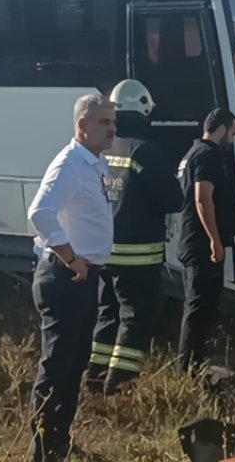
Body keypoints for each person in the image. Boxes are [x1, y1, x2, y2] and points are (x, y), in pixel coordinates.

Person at [26, 94, 117, 462]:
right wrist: (71, 258)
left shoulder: (96, 163)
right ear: (82, 126)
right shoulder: (70, 164)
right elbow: (40, 213)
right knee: (57, 365)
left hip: (84, 277)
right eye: (104, 123)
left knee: (75, 363)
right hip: (64, 277)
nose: (112, 129)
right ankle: (43, 448)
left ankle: (59, 441)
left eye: (114, 123)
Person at [85, 80, 183, 395]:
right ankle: (120, 385)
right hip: (138, 254)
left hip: (103, 251)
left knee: (107, 313)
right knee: (135, 317)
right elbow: (171, 199)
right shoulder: (145, 149)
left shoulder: (103, 149)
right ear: (143, 110)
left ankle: (95, 376)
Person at [175, 107, 235, 373]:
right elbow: (203, 199)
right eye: (233, 134)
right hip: (202, 245)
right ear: (221, 130)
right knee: (198, 307)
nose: (233, 141)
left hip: (195, 241)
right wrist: (214, 240)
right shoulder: (207, 155)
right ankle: (188, 367)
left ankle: (196, 364)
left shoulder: (193, 152)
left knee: (202, 306)